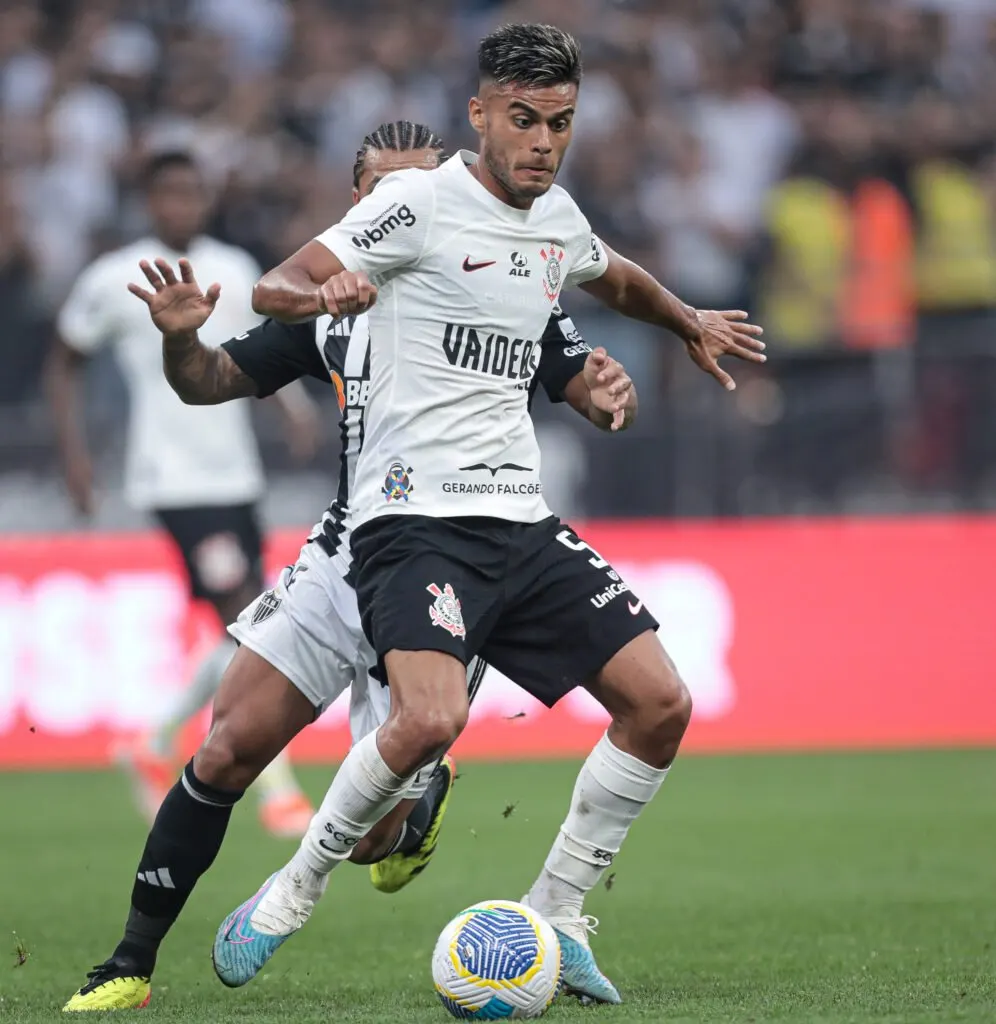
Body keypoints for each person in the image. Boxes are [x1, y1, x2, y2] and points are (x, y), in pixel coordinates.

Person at [212, 22, 765, 1007]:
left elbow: (615, 273)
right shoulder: (417, 203)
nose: (543, 141)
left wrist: (688, 322)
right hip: (411, 518)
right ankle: (291, 889)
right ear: (480, 113)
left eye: (560, 122)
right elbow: (275, 282)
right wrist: (322, 290)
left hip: (519, 517)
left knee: (661, 704)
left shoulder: (554, 213)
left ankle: (556, 912)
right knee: (431, 716)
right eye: (524, 119)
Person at [62, 121, 637, 1013]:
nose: (398, 206)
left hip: (452, 555)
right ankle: (128, 965)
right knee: (226, 745)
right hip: (349, 550)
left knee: (378, 845)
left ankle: (420, 785)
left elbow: (573, 373)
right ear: (355, 203)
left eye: (417, 188)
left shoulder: (497, 278)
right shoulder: (326, 306)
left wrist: (602, 395)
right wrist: (181, 339)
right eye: (378, 190)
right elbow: (209, 379)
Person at [46, 150, 319, 839]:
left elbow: (256, 352)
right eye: (168, 193)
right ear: (148, 200)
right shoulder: (115, 277)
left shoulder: (230, 263)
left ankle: (154, 738)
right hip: (171, 476)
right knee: (253, 620)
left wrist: (290, 412)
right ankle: (275, 787)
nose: (181, 205)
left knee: (250, 621)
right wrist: (75, 456)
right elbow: (64, 360)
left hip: (236, 472)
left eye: (192, 192)